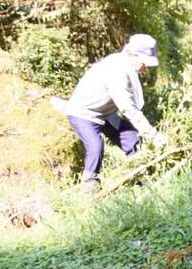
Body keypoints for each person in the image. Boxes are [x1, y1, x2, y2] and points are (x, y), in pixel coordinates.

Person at [56, 33, 168, 194]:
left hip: (105, 114)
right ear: (133, 54)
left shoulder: (127, 65)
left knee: (132, 138)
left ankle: (140, 178)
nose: (147, 67)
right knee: (96, 145)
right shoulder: (117, 71)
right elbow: (128, 108)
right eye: (145, 62)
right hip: (83, 113)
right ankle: (89, 188)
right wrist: (153, 135)